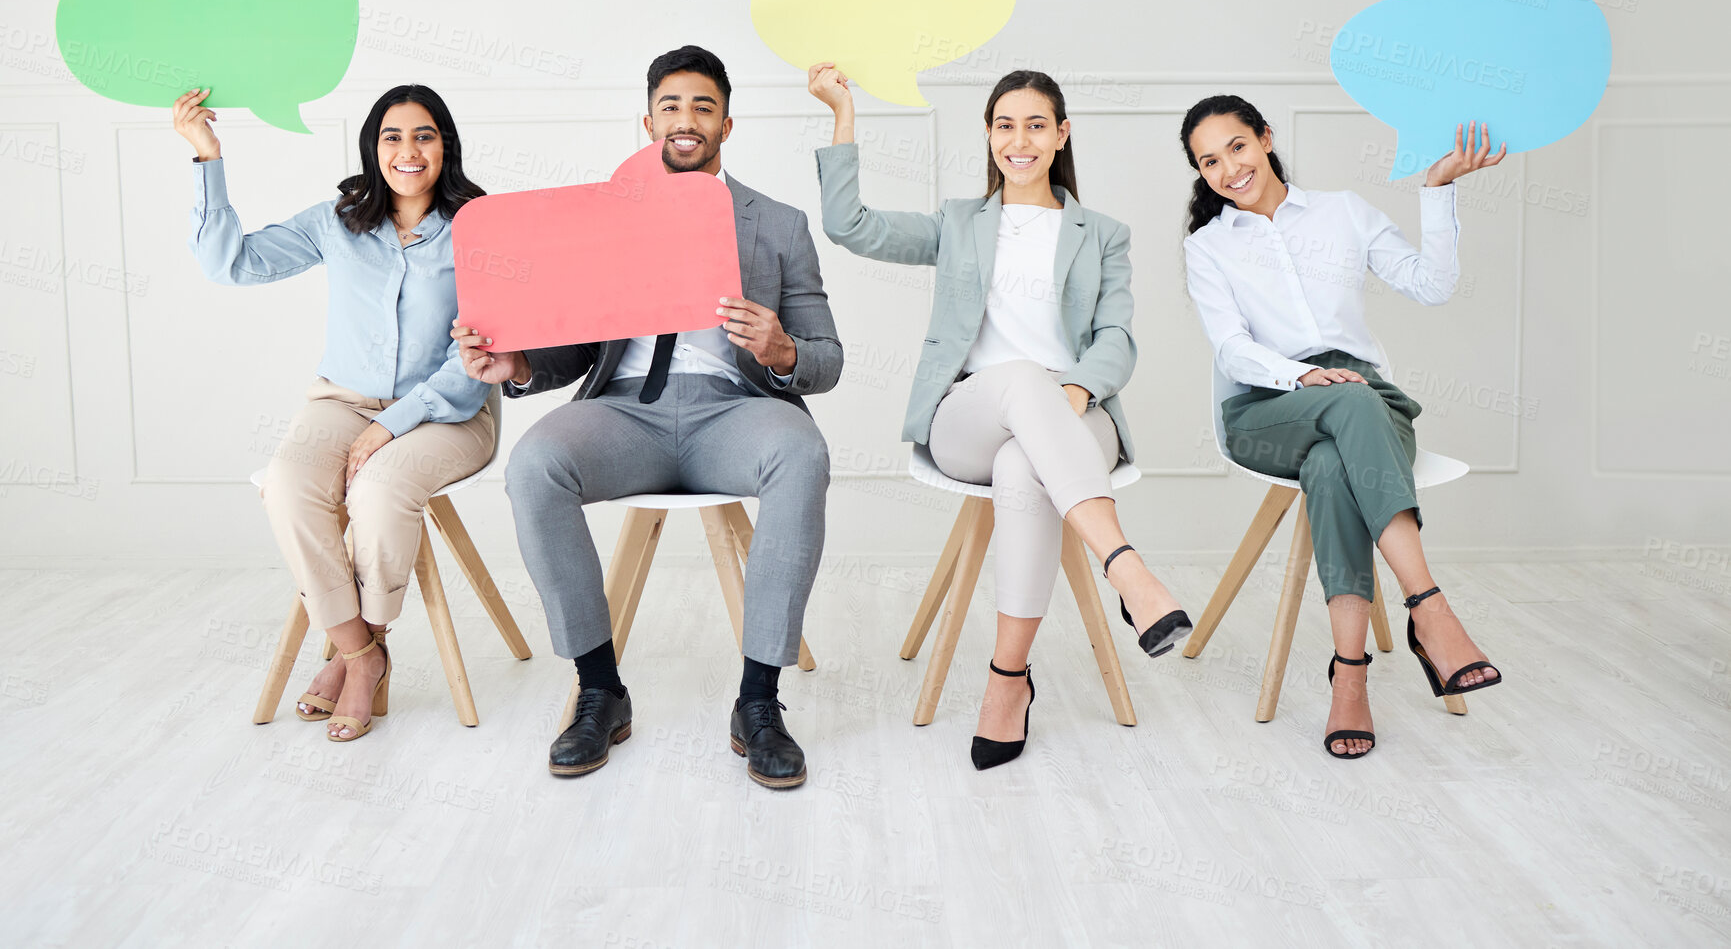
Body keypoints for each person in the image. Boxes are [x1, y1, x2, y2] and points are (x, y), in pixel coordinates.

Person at [454, 46, 842, 789]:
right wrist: (520, 366)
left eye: (701, 106)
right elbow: (572, 348)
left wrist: (783, 346)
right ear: (647, 122)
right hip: (623, 412)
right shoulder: (604, 219)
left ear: (727, 123)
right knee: (535, 462)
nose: (685, 119)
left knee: (802, 455)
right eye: (670, 106)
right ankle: (599, 687)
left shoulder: (780, 224)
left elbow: (827, 358)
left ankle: (758, 702)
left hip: (736, 408)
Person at [808, 63, 1190, 771]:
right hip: (969, 418)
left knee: (1025, 465)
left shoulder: (1100, 233)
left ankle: (1006, 680)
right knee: (1017, 379)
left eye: (1036, 124)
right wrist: (842, 114)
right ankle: (1127, 569)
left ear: (1061, 133)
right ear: (987, 135)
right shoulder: (958, 223)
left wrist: (1073, 392)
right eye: (1005, 125)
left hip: (1077, 415)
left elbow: (1117, 338)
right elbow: (848, 226)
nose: (1020, 139)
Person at [1181, 94, 1506, 759]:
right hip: (1265, 410)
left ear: (1265, 137)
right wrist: (1298, 376)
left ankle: (1348, 677)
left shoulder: (1341, 212)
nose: (1228, 168)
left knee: (1332, 465)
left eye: (1236, 147)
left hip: (1363, 403)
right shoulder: (1208, 248)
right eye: (1209, 161)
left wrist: (1436, 190)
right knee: (1347, 403)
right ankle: (1430, 610)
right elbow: (1231, 348)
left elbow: (1431, 285)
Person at [177, 83, 495, 742]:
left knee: (380, 485)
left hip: (448, 412)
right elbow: (228, 264)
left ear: (446, 146)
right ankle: (360, 653)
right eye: (392, 136)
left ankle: (363, 646)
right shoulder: (338, 220)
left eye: (424, 135)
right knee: (288, 484)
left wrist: (389, 427)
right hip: (342, 400)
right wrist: (207, 157)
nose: (408, 150)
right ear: (372, 148)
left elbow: (473, 365)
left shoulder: (479, 228)